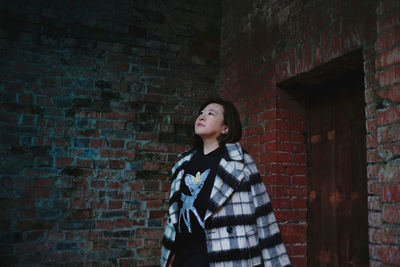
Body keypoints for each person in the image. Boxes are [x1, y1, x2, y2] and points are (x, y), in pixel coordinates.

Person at [161, 98, 291, 267]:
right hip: (185, 260)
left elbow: (264, 216)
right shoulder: (183, 163)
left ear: (225, 128)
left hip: (230, 257)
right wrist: (170, 255)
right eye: (201, 113)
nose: (202, 117)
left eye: (210, 114)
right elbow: (174, 220)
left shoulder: (240, 162)